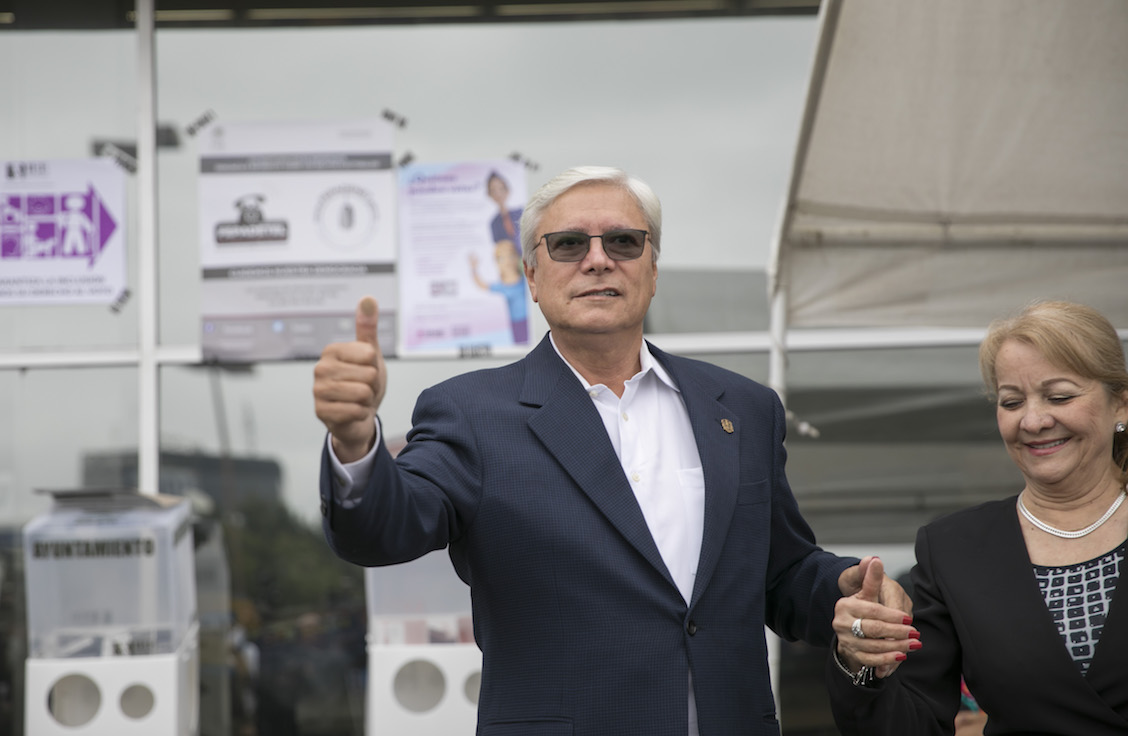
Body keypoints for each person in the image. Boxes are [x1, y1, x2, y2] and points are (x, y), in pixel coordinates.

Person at [313, 165, 914, 735]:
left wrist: (845, 588)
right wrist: (354, 440)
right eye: (569, 244)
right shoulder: (471, 413)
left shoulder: (744, 408)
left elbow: (781, 572)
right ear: (531, 277)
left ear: (652, 270)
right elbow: (383, 530)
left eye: (624, 241)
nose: (598, 259)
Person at [827, 300, 1128, 735]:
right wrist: (860, 660)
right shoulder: (955, 549)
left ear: (1120, 404)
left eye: (1059, 396)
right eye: (1012, 401)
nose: (1033, 420)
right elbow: (913, 724)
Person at [468, 238, 529, 343]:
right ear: (497, 262)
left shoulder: (525, 280)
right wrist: (474, 269)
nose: (508, 261)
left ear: (517, 257)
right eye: (502, 258)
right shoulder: (501, 286)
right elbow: (482, 285)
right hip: (516, 322)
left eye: (511, 256)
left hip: (530, 320)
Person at [486, 170, 523, 247]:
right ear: (490, 194)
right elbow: (500, 247)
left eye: (501, 189)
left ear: (507, 190)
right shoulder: (494, 223)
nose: (498, 194)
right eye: (493, 190)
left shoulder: (520, 213)